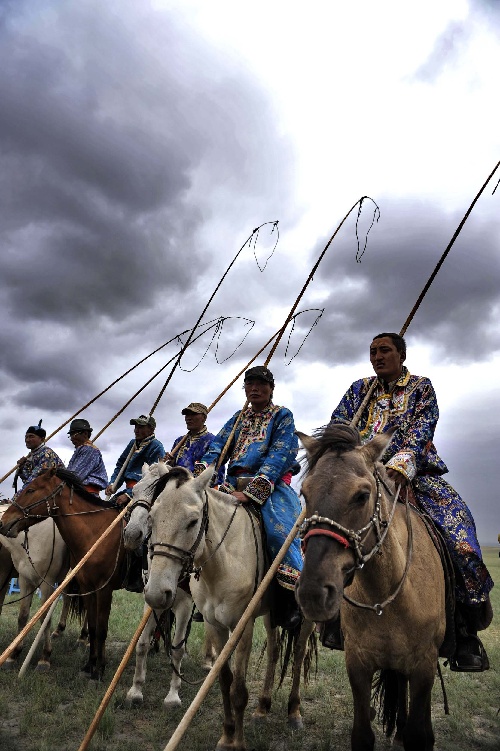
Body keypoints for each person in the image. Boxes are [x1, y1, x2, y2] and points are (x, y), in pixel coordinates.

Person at [328, 332, 493, 671]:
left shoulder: (421, 387)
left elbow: (423, 428)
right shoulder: (359, 390)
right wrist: (346, 457)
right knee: (325, 530)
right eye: (373, 351)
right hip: (362, 476)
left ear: (401, 355)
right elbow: (338, 427)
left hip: (414, 475)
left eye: (384, 350)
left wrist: (401, 464)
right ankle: (331, 617)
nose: (377, 356)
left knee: (460, 536)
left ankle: (464, 630)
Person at [194, 366, 303, 630]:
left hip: (271, 486)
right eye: (249, 384)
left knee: (280, 534)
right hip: (231, 484)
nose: (254, 388)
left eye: (260, 384)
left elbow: (279, 454)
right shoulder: (237, 418)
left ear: (271, 388)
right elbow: (217, 448)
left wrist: (253, 492)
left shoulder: (282, 416)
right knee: (199, 523)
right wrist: (202, 476)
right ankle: (203, 595)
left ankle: (290, 601)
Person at [105, 414, 165, 506]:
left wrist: (129, 495)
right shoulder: (133, 444)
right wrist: (113, 483)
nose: (136, 430)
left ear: (151, 429)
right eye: (136, 426)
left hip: (143, 494)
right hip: (128, 489)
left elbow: (154, 477)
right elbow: (121, 465)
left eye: (141, 427)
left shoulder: (156, 446)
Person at [164, 402, 224, 485]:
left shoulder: (213, 442)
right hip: (176, 486)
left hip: (199, 489)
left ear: (203, 418)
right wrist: (169, 463)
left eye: (193, 414)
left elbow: (216, 474)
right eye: (187, 415)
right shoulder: (179, 441)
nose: (189, 418)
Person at [14, 420, 64, 499]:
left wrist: (18, 497)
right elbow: (27, 478)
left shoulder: (46, 454)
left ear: (42, 439)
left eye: (31, 437)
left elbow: (34, 481)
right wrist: (22, 467)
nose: (27, 440)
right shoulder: (32, 455)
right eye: (26, 437)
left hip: (56, 493)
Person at [66, 419, 108, 494]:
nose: (72, 438)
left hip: (87, 495)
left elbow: (75, 476)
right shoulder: (81, 449)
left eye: (74, 434)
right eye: (70, 435)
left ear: (85, 434)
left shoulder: (89, 450)